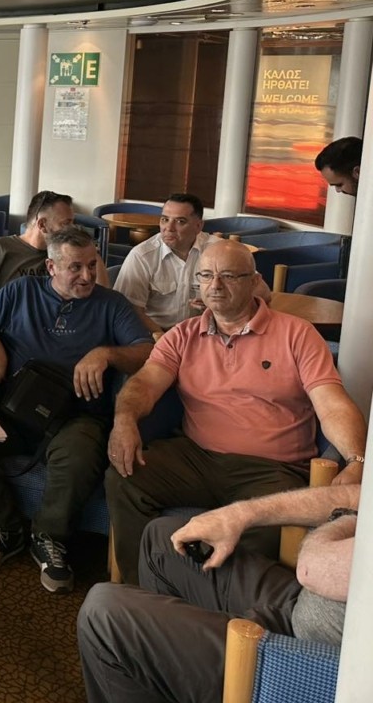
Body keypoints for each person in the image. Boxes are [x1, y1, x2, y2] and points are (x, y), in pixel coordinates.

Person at [105, 238, 366, 585]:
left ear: (254, 281)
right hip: (197, 457)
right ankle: (141, 589)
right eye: (206, 275)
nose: (215, 285)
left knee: (263, 535)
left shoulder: (296, 334)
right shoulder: (182, 335)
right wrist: (124, 420)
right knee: (125, 479)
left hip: (272, 469)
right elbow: (144, 384)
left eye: (228, 275)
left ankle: (220, 606)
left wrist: (357, 460)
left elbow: (331, 403)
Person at [0, 228, 152, 593]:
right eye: (75, 267)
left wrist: (106, 353)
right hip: (12, 406)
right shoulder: (20, 291)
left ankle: (48, 536)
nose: (87, 276)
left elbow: (146, 350)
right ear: (51, 267)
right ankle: (5, 527)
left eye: (92, 265)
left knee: (80, 455)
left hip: (76, 415)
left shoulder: (111, 304)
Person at [78, 481, 358, 703]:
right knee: (162, 540)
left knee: (103, 616)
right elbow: (354, 496)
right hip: (307, 602)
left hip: (317, 659)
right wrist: (239, 514)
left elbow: (313, 568)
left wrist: (345, 519)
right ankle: (171, 676)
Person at [113, 192, 269, 338]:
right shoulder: (143, 256)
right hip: (157, 334)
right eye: (165, 219)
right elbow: (130, 309)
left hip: (207, 333)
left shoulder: (217, 250)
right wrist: (162, 336)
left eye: (180, 221)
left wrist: (218, 304)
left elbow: (263, 293)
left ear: (198, 226)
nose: (169, 228)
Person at [0, 190, 109, 315]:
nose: (71, 229)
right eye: (66, 224)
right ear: (42, 225)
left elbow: (103, 298)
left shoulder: (70, 257)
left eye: (72, 223)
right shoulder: (1, 248)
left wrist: (90, 253)